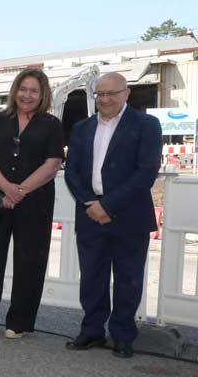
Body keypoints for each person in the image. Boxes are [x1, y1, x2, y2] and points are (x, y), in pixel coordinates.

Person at [63, 72, 162, 358]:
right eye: (99, 94)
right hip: (90, 214)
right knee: (91, 278)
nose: (105, 99)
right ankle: (91, 331)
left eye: (111, 94)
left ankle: (122, 335)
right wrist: (91, 204)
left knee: (128, 279)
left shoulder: (146, 125)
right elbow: (72, 172)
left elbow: (146, 172)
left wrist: (108, 206)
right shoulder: (82, 127)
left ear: (126, 93)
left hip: (129, 216)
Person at [0, 69, 64, 339]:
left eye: (34, 91)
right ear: (15, 90)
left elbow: (52, 164)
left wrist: (21, 191)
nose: (27, 95)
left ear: (42, 95)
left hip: (35, 201)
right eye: (23, 89)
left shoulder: (51, 124)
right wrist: (6, 188)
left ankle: (19, 322)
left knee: (30, 261)